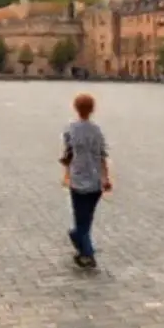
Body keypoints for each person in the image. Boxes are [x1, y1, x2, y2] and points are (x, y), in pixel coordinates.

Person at [59, 93, 111, 269]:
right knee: (86, 219)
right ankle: (79, 241)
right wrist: (106, 178)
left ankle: (87, 254)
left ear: (75, 108)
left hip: (78, 179)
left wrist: (66, 174)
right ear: (92, 109)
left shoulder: (70, 129)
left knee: (80, 220)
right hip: (95, 180)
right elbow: (102, 155)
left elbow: (68, 154)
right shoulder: (97, 130)